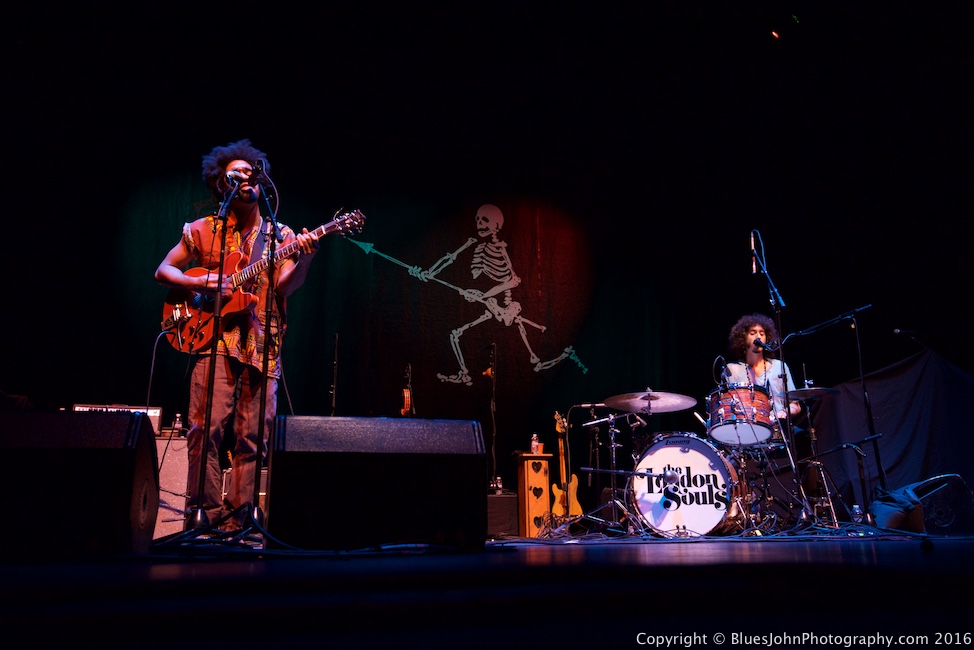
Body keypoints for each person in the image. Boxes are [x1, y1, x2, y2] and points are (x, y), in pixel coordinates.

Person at [155, 139, 320, 530]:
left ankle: (239, 522)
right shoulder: (203, 229)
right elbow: (164, 271)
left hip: (263, 343)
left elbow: (284, 287)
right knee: (204, 430)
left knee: (252, 439)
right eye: (238, 173)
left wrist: (307, 254)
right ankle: (205, 518)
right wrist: (211, 282)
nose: (248, 177)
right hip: (212, 339)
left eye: (252, 171)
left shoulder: (280, 235)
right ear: (222, 184)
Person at [719, 313, 801, 442]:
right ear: (743, 337)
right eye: (753, 333)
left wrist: (784, 413)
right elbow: (726, 408)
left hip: (779, 433)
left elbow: (796, 405)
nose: (758, 336)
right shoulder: (732, 370)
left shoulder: (779, 366)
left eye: (762, 333)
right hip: (746, 434)